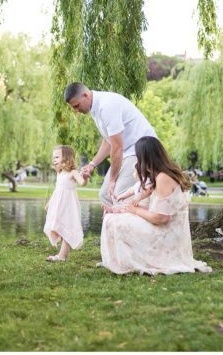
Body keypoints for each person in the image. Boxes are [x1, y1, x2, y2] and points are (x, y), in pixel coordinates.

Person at [100, 136, 212, 275]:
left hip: (166, 234)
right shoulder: (159, 175)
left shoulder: (163, 178)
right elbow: (156, 209)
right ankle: (121, 260)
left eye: (139, 156)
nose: (137, 161)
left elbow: (161, 218)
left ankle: (129, 261)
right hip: (163, 228)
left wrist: (135, 210)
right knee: (113, 217)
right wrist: (126, 210)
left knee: (115, 222)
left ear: (146, 157)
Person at [64, 82, 157, 208]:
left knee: (117, 195)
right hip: (128, 151)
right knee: (105, 195)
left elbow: (117, 148)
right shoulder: (95, 109)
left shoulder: (106, 105)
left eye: (76, 106)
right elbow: (108, 140)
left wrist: (112, 180)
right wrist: (92, 164)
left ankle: (130, 225)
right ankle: (112, 226)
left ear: (85, 95)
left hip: (142, 150)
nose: (76, 111)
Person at [43, 145, 87, 262]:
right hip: (59, 206)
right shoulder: (60, 173)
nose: (54, 159)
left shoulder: (72, 173)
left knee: (67, 227)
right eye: (53, 157)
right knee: (61, 227)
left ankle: (62, 256)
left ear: (66, 158)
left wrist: (85, 177)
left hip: (69, 206)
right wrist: (49, 203)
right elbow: (57, 190)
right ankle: (64, 255)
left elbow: (82, 182)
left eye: (57, 157)